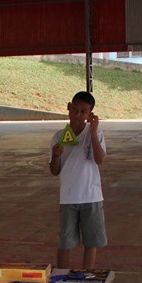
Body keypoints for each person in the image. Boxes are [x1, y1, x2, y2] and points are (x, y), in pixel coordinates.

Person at [48, 90, 107, 269]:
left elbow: (99, 159)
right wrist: (56, 155)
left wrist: (94, 133)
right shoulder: (59, 137)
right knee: (65, 242)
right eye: (75, 109)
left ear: (90, 115)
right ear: (68, 107)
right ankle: (62, 278)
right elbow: (54, 170)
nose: (78, 114)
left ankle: (87, 276)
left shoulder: (94, 133)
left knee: (91, 242)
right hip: (68, 197)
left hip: (91, 196)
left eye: (83, 111)